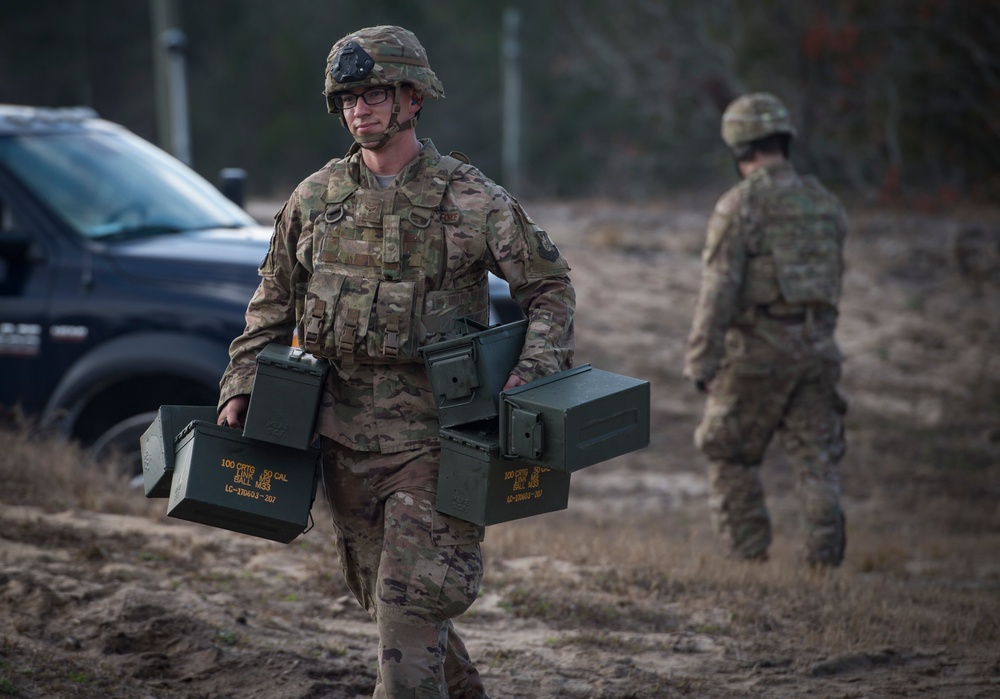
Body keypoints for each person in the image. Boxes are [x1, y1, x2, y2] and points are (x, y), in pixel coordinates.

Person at [217, 25, 575, 698]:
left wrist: (529, 376)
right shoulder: (314, 199)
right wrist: (239, 385)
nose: (360, 110)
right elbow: (271, 304)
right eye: (348, 98)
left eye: (374, 93)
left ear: (413, 98)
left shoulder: (469, 198)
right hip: (339, 443)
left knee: (409, 614)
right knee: (398, 613)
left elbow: (549, 288)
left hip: (436, 445)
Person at [683, 92, 848, 567]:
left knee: (728, 451)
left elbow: (718, 291)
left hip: (758, 350)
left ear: (739, 148)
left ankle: (748, 563)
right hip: (819, 349)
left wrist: (702, 361)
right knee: (818, 461)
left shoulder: (740, 206)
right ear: (783, 140)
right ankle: (824, 565)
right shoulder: (827, 205)